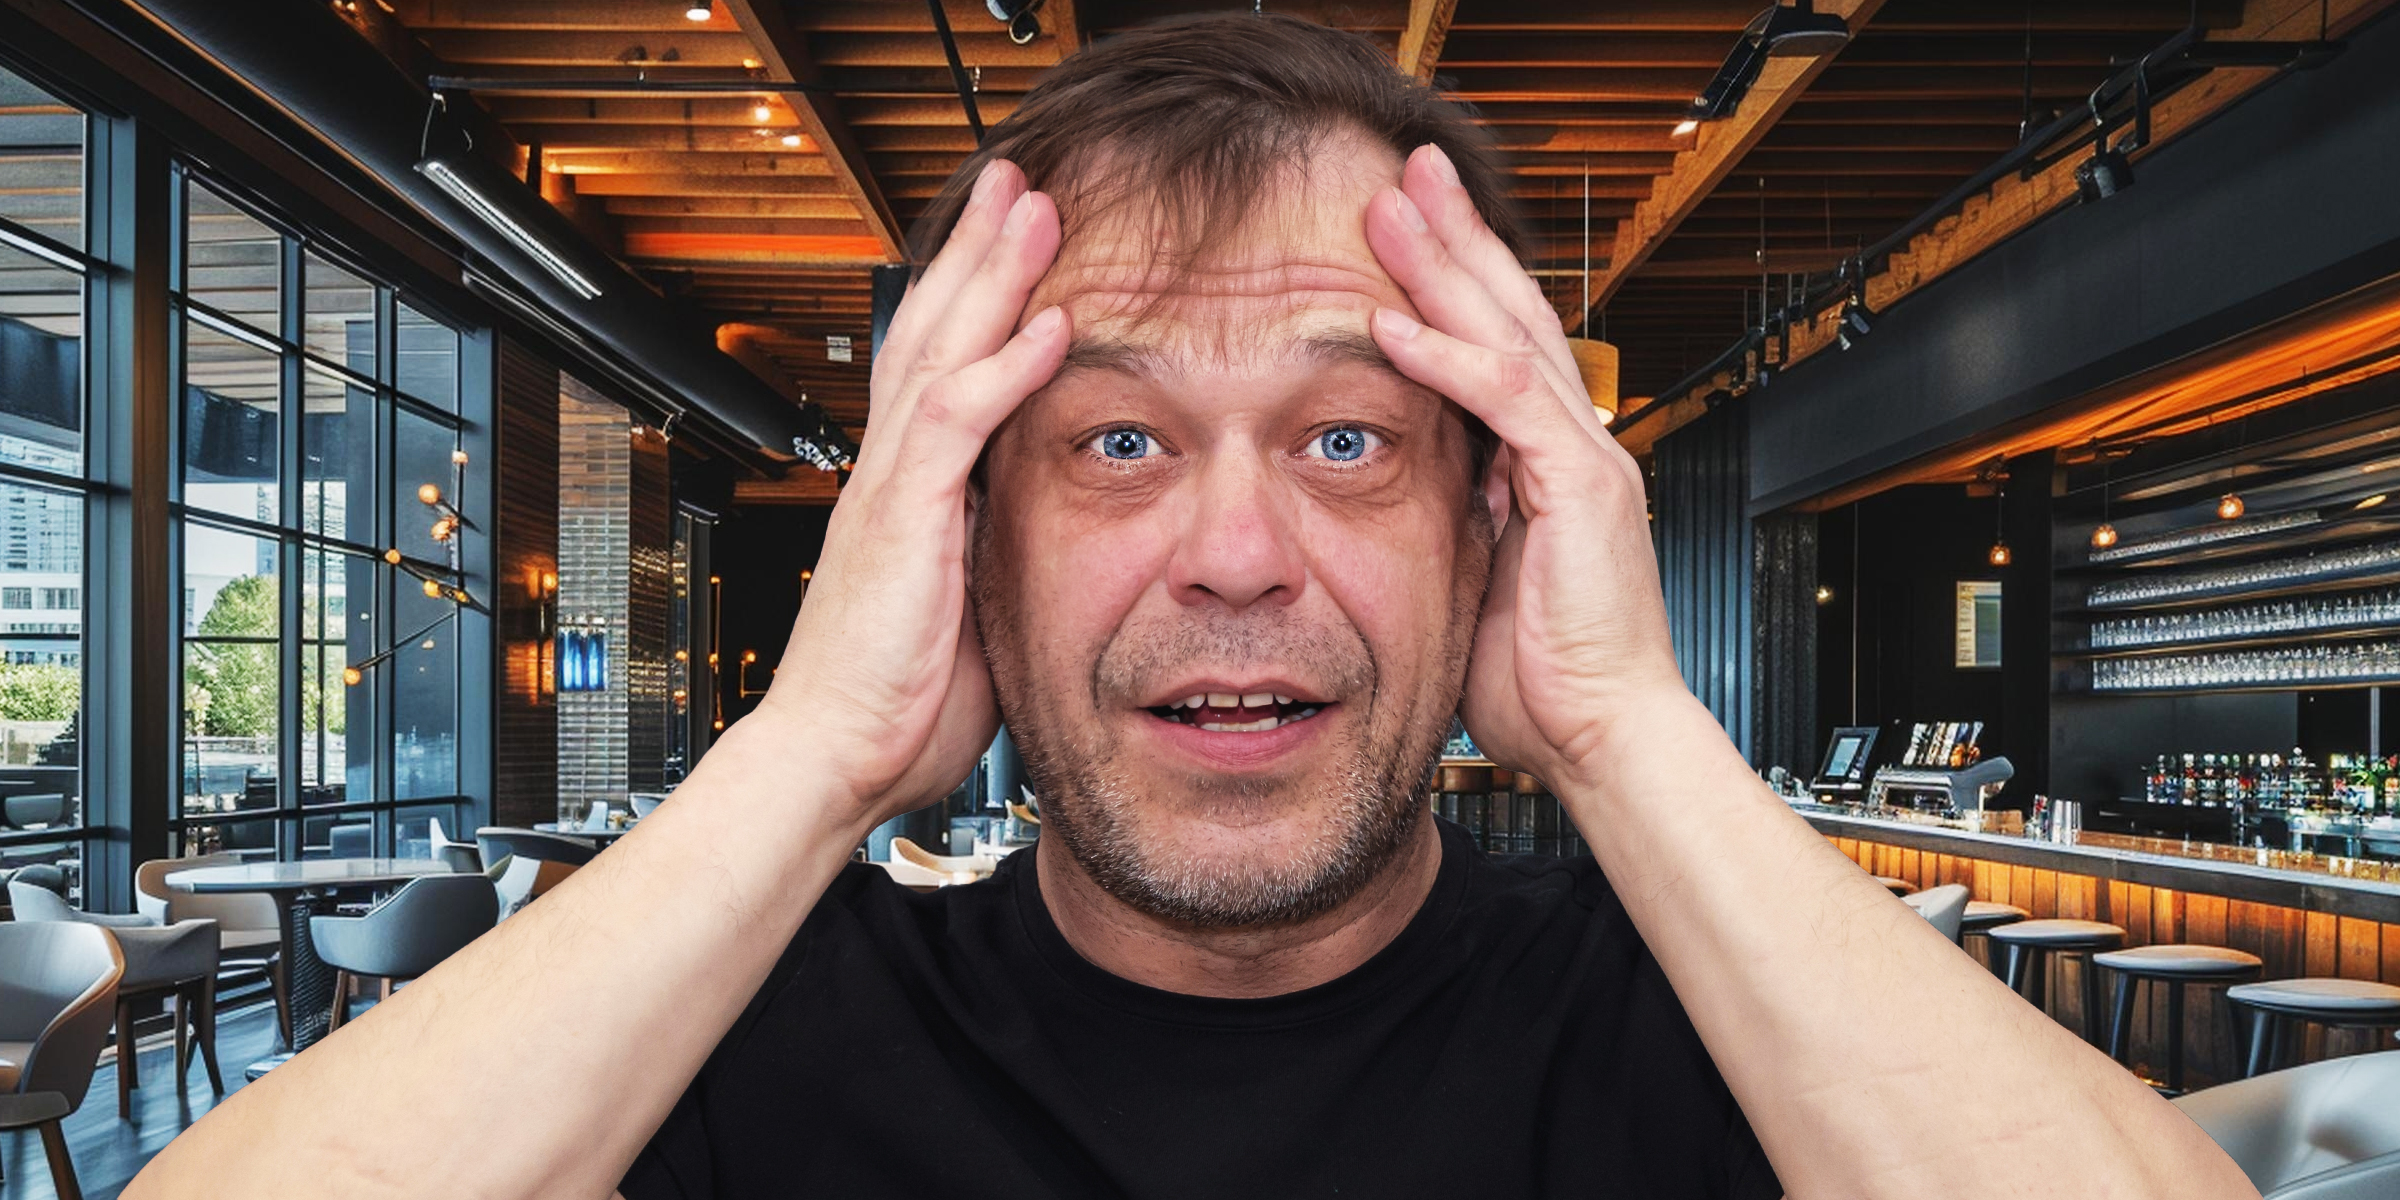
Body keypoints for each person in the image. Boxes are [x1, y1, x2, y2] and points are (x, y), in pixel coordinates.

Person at [127, 15, 2255, 1200]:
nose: (1237, 558)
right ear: (971, 541)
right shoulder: (746, 1040)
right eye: (1116, 444)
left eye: (1348, 442)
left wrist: (1628, 724)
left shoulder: (1710, 1033)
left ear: (1488, 528)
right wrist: (805, 755)